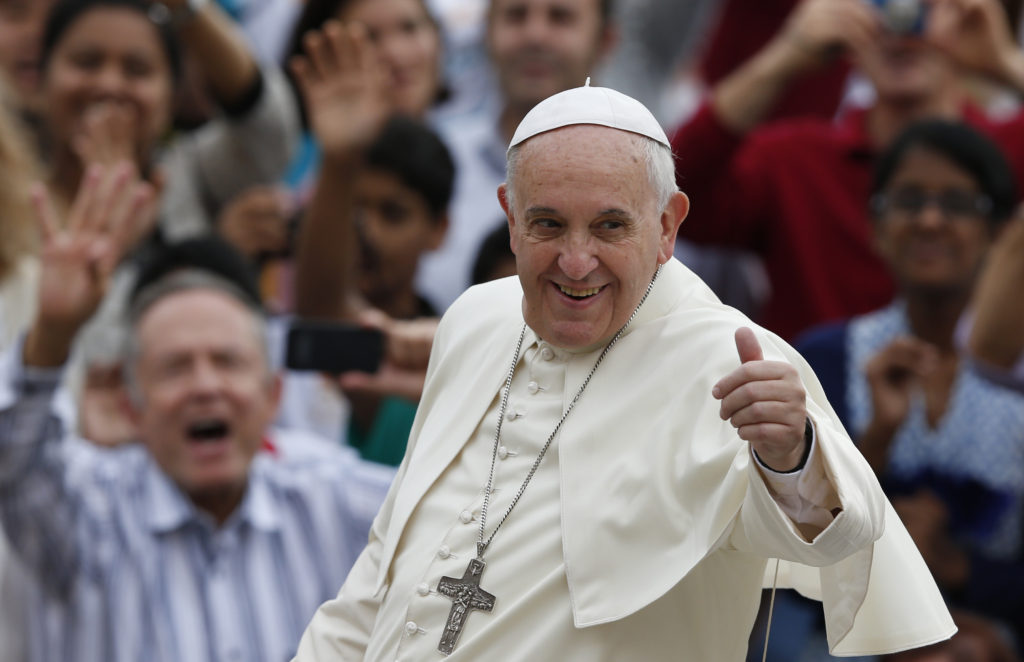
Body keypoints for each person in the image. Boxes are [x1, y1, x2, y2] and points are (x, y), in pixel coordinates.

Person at [292, 84, 954, 661]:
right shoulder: (474, 320)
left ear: (667, 225)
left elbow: (831, 535)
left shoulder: (733, 355)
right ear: (509, 219)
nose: (576, 262)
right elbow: (381, 576)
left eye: (610, 226)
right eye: (548, 224)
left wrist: (790, 453)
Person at [0, 163, 394, 662]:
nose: (205, 387)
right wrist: (53, 335)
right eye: (174, 368)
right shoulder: (85, 510)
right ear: (131, 406)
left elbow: (467, 516)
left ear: (273, 395)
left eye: (227, 362)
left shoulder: (329, 495)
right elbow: (14, 461)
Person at [789, 119, 1024, 659]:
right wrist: (878, 437)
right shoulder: (823, 360)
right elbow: (787, 557)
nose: (930, 220)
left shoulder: (1016, 377)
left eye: (960, 204)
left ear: (999, 235)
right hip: (849, 637)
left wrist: (957, 566)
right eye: (908, 200)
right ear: (875, 225)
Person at [671, 0, 1024, 340]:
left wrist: (1006, 63)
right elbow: (671, 195)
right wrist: (787, 54)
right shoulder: (797, 161)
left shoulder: (1005, 149)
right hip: (812, 395)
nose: (900, 27)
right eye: (878, 8)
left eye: (924, 7)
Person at [415, 0, 618, 312]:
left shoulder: (649, 175)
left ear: (605, 40)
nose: (535, 35)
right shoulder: (431, 157)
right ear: (486, 33)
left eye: (560, 17)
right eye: (516, 15)